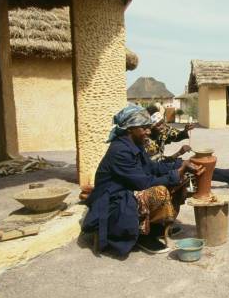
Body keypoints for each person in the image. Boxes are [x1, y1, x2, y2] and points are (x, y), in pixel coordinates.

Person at [81, 105, 205, 255]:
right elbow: (144, 183)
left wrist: (179, 165)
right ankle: (142, 235)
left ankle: (156, 227)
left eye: (148, 127)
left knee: (180, 181)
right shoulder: (120, 151)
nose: (148, 131)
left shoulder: (135, 144)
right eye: (144, 128)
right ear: (130, 129)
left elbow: (153, 167)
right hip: (113, 201)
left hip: (128, 190)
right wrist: (177, 172)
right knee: (159, 191)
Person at [145, 111, 229, 187]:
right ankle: (228, 176)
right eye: (158, 125)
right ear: (151, 128)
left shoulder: (161, 131)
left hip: (162, 165)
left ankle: (228, 176)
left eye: (162, 122)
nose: (162, 127)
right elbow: (156, 166)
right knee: (192, 167)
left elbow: (174, 135)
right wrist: (178, 153)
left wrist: (185, 130)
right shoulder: (147, 143)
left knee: (194, 165)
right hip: (156, 172)